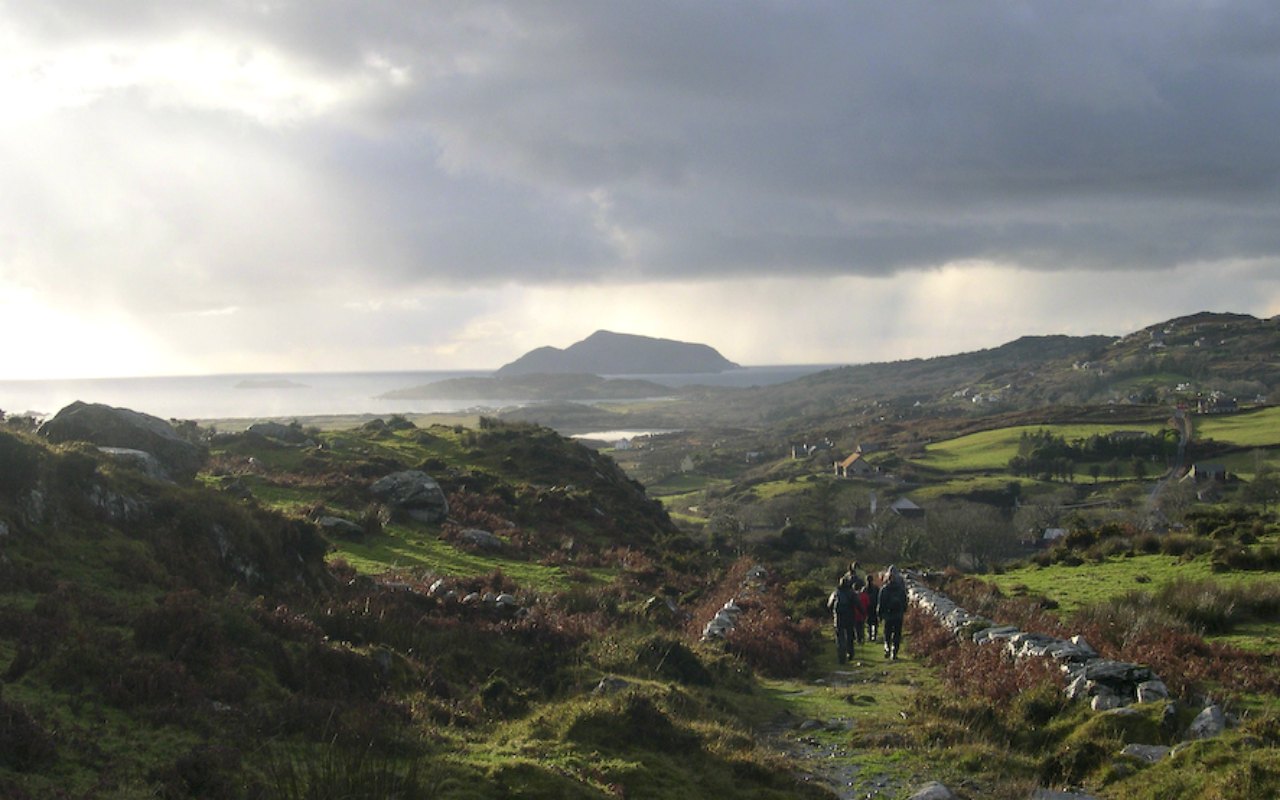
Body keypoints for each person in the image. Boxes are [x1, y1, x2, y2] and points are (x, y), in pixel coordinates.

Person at [876, 565, 908, 660]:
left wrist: (880, 615)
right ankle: (894, 651)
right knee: (897, 634)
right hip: (898, 615)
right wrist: (903, 611)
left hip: (888, 615)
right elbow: (905, 602)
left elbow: (880, 603)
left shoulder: (884, 590)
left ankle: (887, 648)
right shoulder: (901, 590)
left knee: (887, 633)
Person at [826, 575, 858, 664]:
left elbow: (829, 605)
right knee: (850, 637)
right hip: (850, 618)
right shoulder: (852, 593)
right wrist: (863, 612)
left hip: (839, 618)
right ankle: (850, 653)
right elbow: (858, 604)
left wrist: (831, 614)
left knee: (840, 639)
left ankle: (841, 657)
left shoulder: (835, 593)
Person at [864, 574, 881, 643]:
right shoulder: (876, 588)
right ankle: (874, 635)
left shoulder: (865, 589)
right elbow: (879, 597)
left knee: (869, 622)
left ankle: (870, 635)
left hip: (868, 607)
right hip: (874, 606)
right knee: (875, 622)